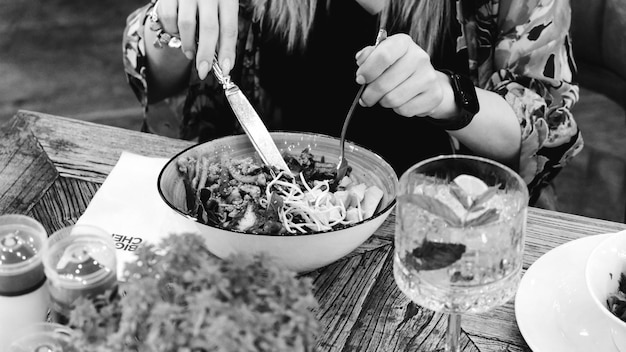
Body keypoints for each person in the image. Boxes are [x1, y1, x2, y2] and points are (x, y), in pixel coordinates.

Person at [122, 0, 582, 207]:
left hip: (429, 235)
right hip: (253, 217)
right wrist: (172, 19)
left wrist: (447, 96)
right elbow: (158, 78)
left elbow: (545, 130)